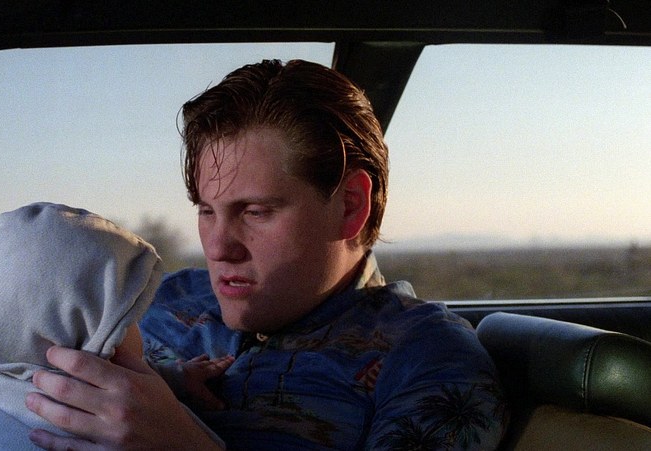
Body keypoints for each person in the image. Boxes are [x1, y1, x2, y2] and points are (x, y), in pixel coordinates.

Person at [26, 60, 508, 449]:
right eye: (207, 211)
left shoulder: (429, 360)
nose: (218, 248)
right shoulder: (158, 299)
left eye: (255, 212)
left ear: (350, 206)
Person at [0, 202, 228, 450]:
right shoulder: (95, 432)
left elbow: (126, 385)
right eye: (128, 318)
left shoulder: (0, 366)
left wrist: (178, 377)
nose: (137, 326)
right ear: (94, 338)